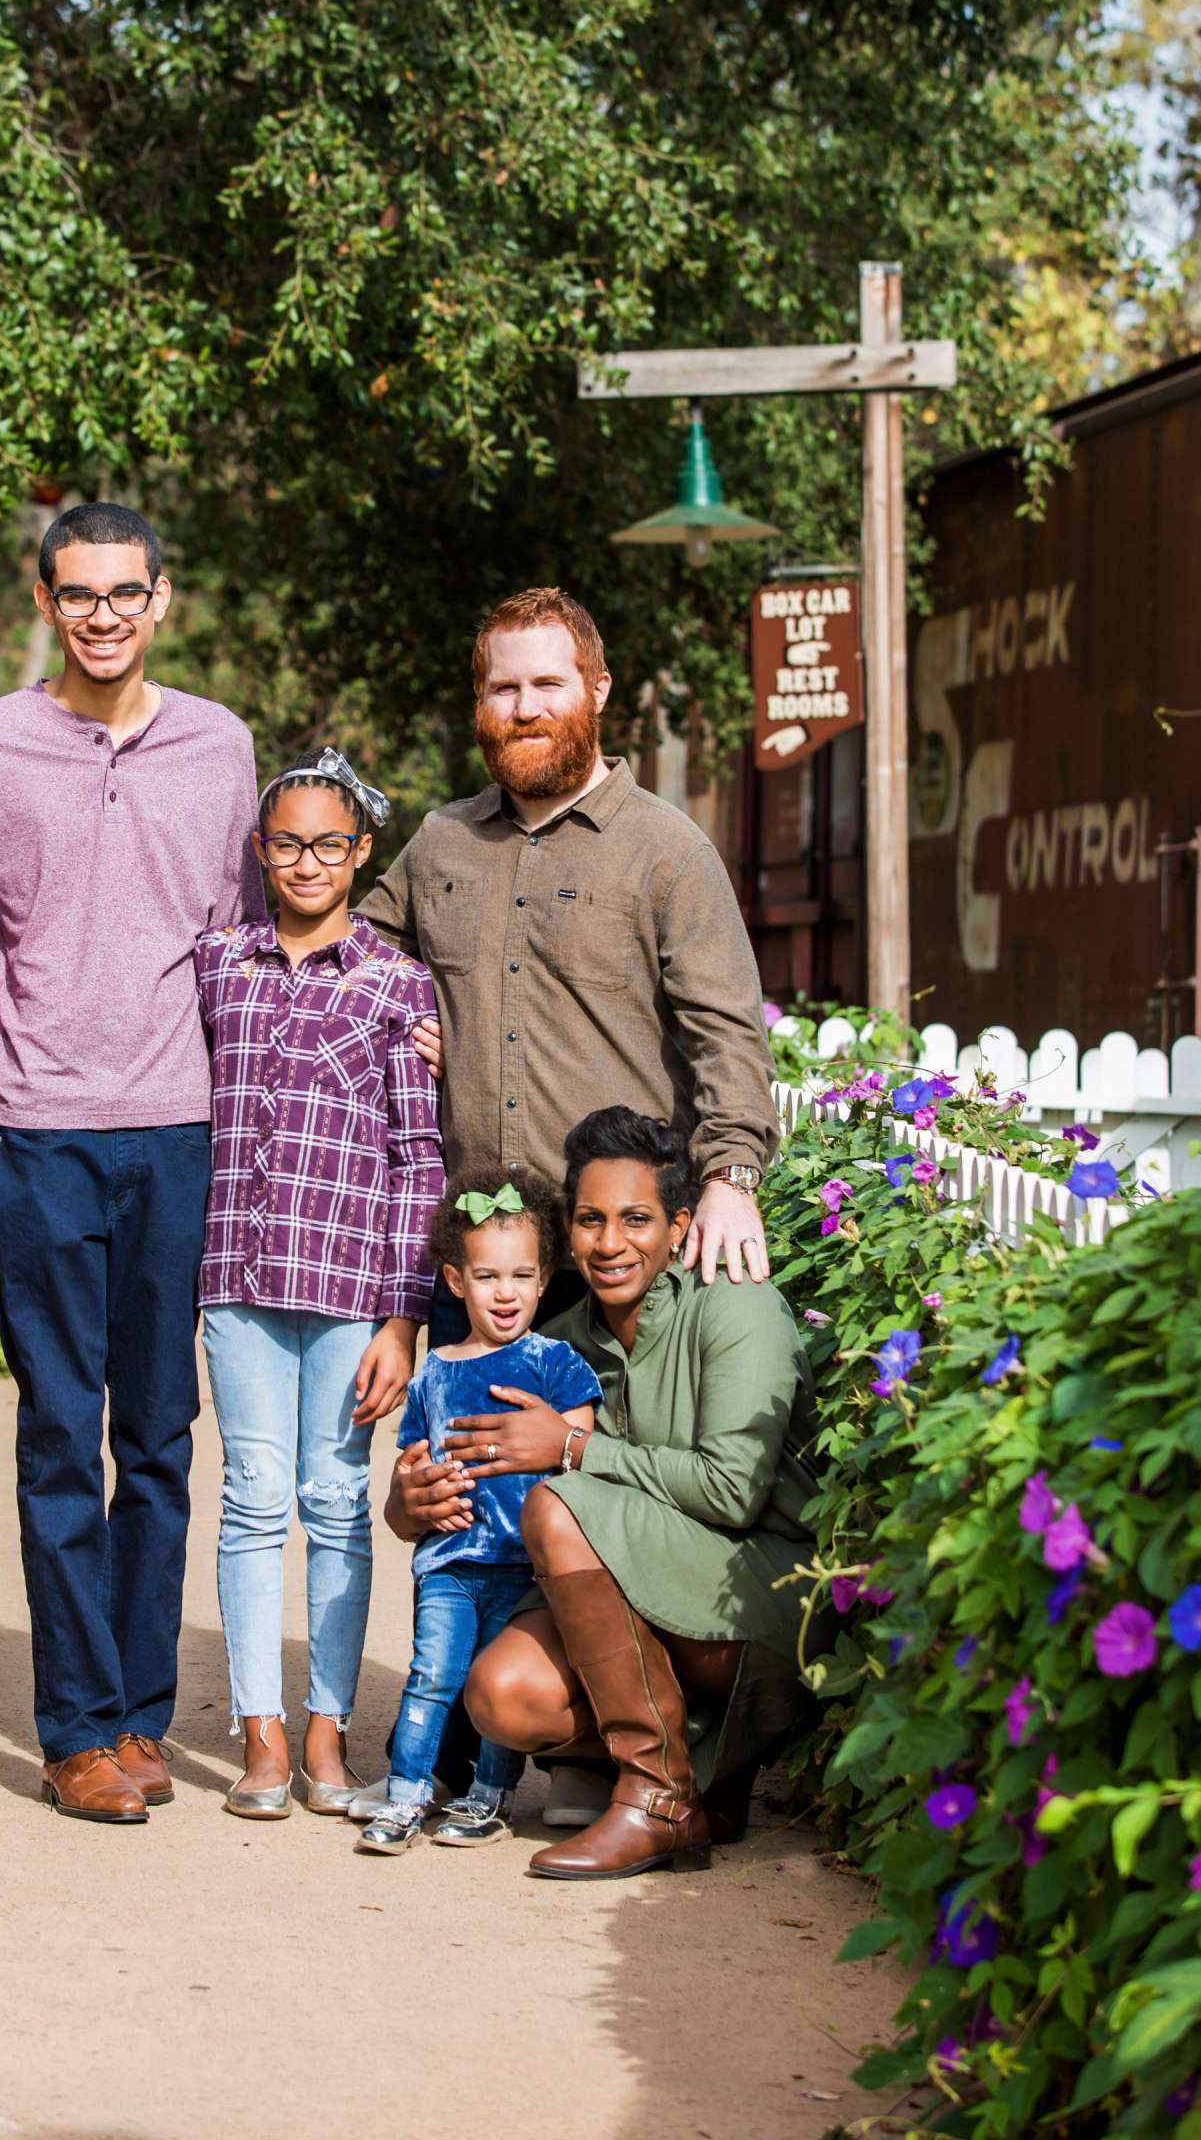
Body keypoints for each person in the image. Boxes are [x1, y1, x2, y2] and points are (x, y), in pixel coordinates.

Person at [361, 583, 782, 1830]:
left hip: (610, 1255)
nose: (524, 706)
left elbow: (723, 1033)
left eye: (548, 683)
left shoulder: (665, 848)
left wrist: (732, 1175)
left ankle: (647, 1744)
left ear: (596, 689)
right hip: (486, 1253)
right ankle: (461, 1729)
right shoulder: (438, 847)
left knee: (602, 1497)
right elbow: (333, 957)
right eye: (502, 686)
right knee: (459, 1489)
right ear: (476, 701)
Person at [0, 501, 262, 1825]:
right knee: (61, 1436)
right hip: (46, 1138)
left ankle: (134, 1712)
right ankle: (72, 1730)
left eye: (127, 593)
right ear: (47, 601)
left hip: (184, 1134)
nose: (104, 615)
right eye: (80, 594)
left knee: (162, 1440)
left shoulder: (218, 746)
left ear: (162, 599)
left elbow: (243, 942)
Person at [440, 1106, 825, 1881]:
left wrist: (575, 1447)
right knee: (503, 1695)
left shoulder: (737, 1306)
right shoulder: (565, 1346)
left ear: (681, 1226)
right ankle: (699, 1777)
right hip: (647, 1605)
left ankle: (657, 1800)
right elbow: (501, 1500)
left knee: (564, 1499)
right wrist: (418, 1500)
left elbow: (733, 1492)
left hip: (766, 1607)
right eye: (589, 1221)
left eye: (636, 1219)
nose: (610, 1243)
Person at [194, 748, 444, 1821]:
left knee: (337, 1502)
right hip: (237, 1278)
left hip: (349, 1290)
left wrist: (404, 1318)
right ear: (260, 851)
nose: (306, 861)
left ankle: (329, 1732)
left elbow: (418, 1156)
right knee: (252, 1500)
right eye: (286, 842)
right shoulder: (216, 967)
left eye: (328, 844)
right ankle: (258, 1734)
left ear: (360, 853)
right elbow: (131, 1066)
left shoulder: (398, 987)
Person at [354, 1173, 601, 1858]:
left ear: (545, 1279)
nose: (506, 1292)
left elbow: (584, 1457)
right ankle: (407, 1795)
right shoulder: (434, 1370)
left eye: (522, 1275)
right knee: (432, 1675)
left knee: (492, 1693)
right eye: (487, 1275)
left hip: (524, 1569)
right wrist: (416, 1482)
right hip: (449, 1562)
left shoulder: (556, 1362)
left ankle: (487, 1797)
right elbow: (412, 1461)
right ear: (456, 1281)